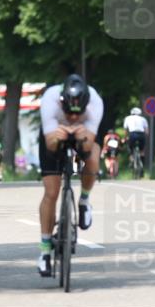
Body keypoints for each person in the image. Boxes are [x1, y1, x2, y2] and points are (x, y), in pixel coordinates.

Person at [37, 74, 103, 277]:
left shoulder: (95, 102)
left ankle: (84, 201)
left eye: (78, 114)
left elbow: (88, 144)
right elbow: (49, 144)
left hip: (84, 136)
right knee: (51, 192)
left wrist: (81, 138)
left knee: (93, 155)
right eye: (69, 113)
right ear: (62, 102)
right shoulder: (50, 100)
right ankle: (45, 251)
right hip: (54, 136)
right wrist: (59, 137)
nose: (73, 117)